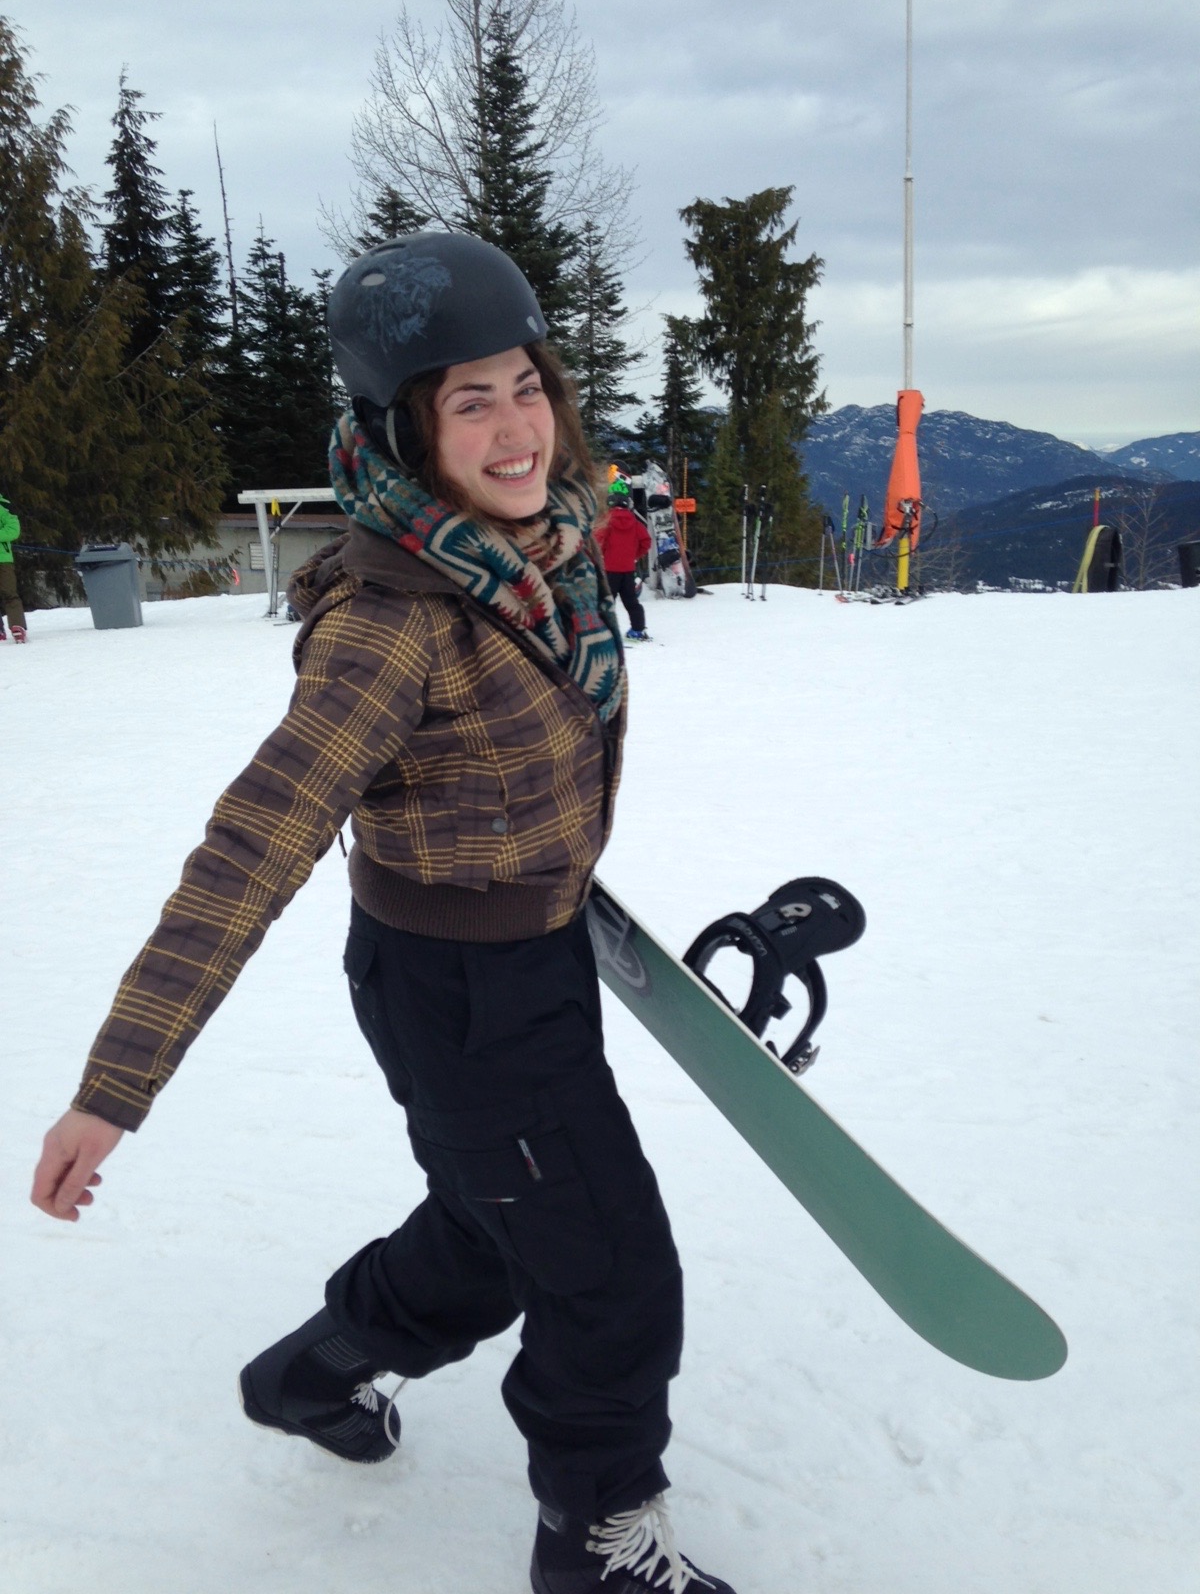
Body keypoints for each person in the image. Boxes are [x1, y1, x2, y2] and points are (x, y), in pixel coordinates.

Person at [30, 233, 735, 1594]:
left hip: (520, 962)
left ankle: (313, 1374)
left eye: (526, 388)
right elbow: (254, 845)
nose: (516, 428)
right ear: (408, 427)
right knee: (607, 1273)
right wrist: (115, 1087)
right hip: (464, 999)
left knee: (496, 1224)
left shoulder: (539, 556)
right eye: (471, 402)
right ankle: (595, 1542)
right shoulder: (393, 618)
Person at [596, 481, 652, 641]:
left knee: (607, 602)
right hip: (628, 569)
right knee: (631, 602)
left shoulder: (606, 521)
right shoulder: (635, 523)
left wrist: (603, 555)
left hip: (610, 570)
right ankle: (638, 630)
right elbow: (646, 541)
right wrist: (635, 555)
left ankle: (605, 632)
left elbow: (598, 541)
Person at [0, 490, 27, 642]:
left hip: (3, 559)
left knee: (9, 592)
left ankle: (18, 626)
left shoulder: (4, 506)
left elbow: (13, 530)